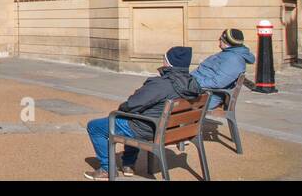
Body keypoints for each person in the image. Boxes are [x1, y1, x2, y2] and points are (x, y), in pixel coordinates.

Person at [84, 46, 199, 180]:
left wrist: (121, 109)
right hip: (171, 130)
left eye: (164, 59)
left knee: (95, 126)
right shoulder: (193, 84)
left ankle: (107, 168)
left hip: (148, 128)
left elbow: (132, 104)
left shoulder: (161, 84)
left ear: (169, 62)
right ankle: (128, 164)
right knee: (134, 116)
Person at [192, 28, 255, 109]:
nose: (219, 41)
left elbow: (218, 83)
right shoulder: (229, 54)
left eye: (221, 39)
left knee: (173, 98)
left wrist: (192, 83)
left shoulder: (233, 60)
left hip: (207, 96)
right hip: (200, 91)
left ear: (227, 43)